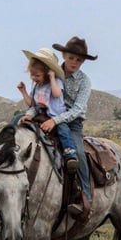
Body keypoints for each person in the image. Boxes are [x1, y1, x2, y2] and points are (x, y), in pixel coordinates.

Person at [39, 36, 97, 219]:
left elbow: (78, 109)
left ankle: (85, 198)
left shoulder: (84, 81)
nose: (74, 62)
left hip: (71, 123)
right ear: (64, 55)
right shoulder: (53, 74)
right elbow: (41, 95)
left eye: (79, 60)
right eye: (71, 57)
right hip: (47, 115)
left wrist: (55, 122)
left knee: (78, 154)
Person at [15, 48, 79, 173]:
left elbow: (56, 94)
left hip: (56, 117)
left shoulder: (57, 83)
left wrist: (52, 79)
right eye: (32, 75)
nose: (34, 78)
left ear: (47, 72)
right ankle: (9, 144)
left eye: (37, 75)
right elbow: (32, 103)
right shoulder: (37, 86)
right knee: (18, 120)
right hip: (41, 116)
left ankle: (70, 153)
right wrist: (23, 91)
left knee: (63, 130)